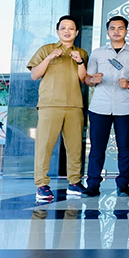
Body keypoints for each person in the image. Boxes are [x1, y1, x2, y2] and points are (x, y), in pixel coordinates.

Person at [28, 15, 89, 201]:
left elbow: (83, 78)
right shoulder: (46, 49)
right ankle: (42, 185)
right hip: (50, 104)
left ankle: (74, 183)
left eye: (71, 28)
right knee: (44, 146)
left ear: (77, 32)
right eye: (63, 28)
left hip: (74, 105)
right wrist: (49, 58)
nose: (67, 31)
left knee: (74, 147)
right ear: (57, 31)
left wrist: (79, 61)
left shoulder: (82, 53)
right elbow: (34, 75)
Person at [82, 16, 129, 197]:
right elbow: (87, 79)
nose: (117, 31)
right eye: (113, 28)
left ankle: (123, 184)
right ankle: (93, 184)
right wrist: (93, 79)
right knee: (97, 148)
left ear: (126, 31)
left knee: (125, 147)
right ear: (107, 31)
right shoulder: (98, 53)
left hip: (125, 107)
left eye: (121, 28)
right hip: (100, 107)